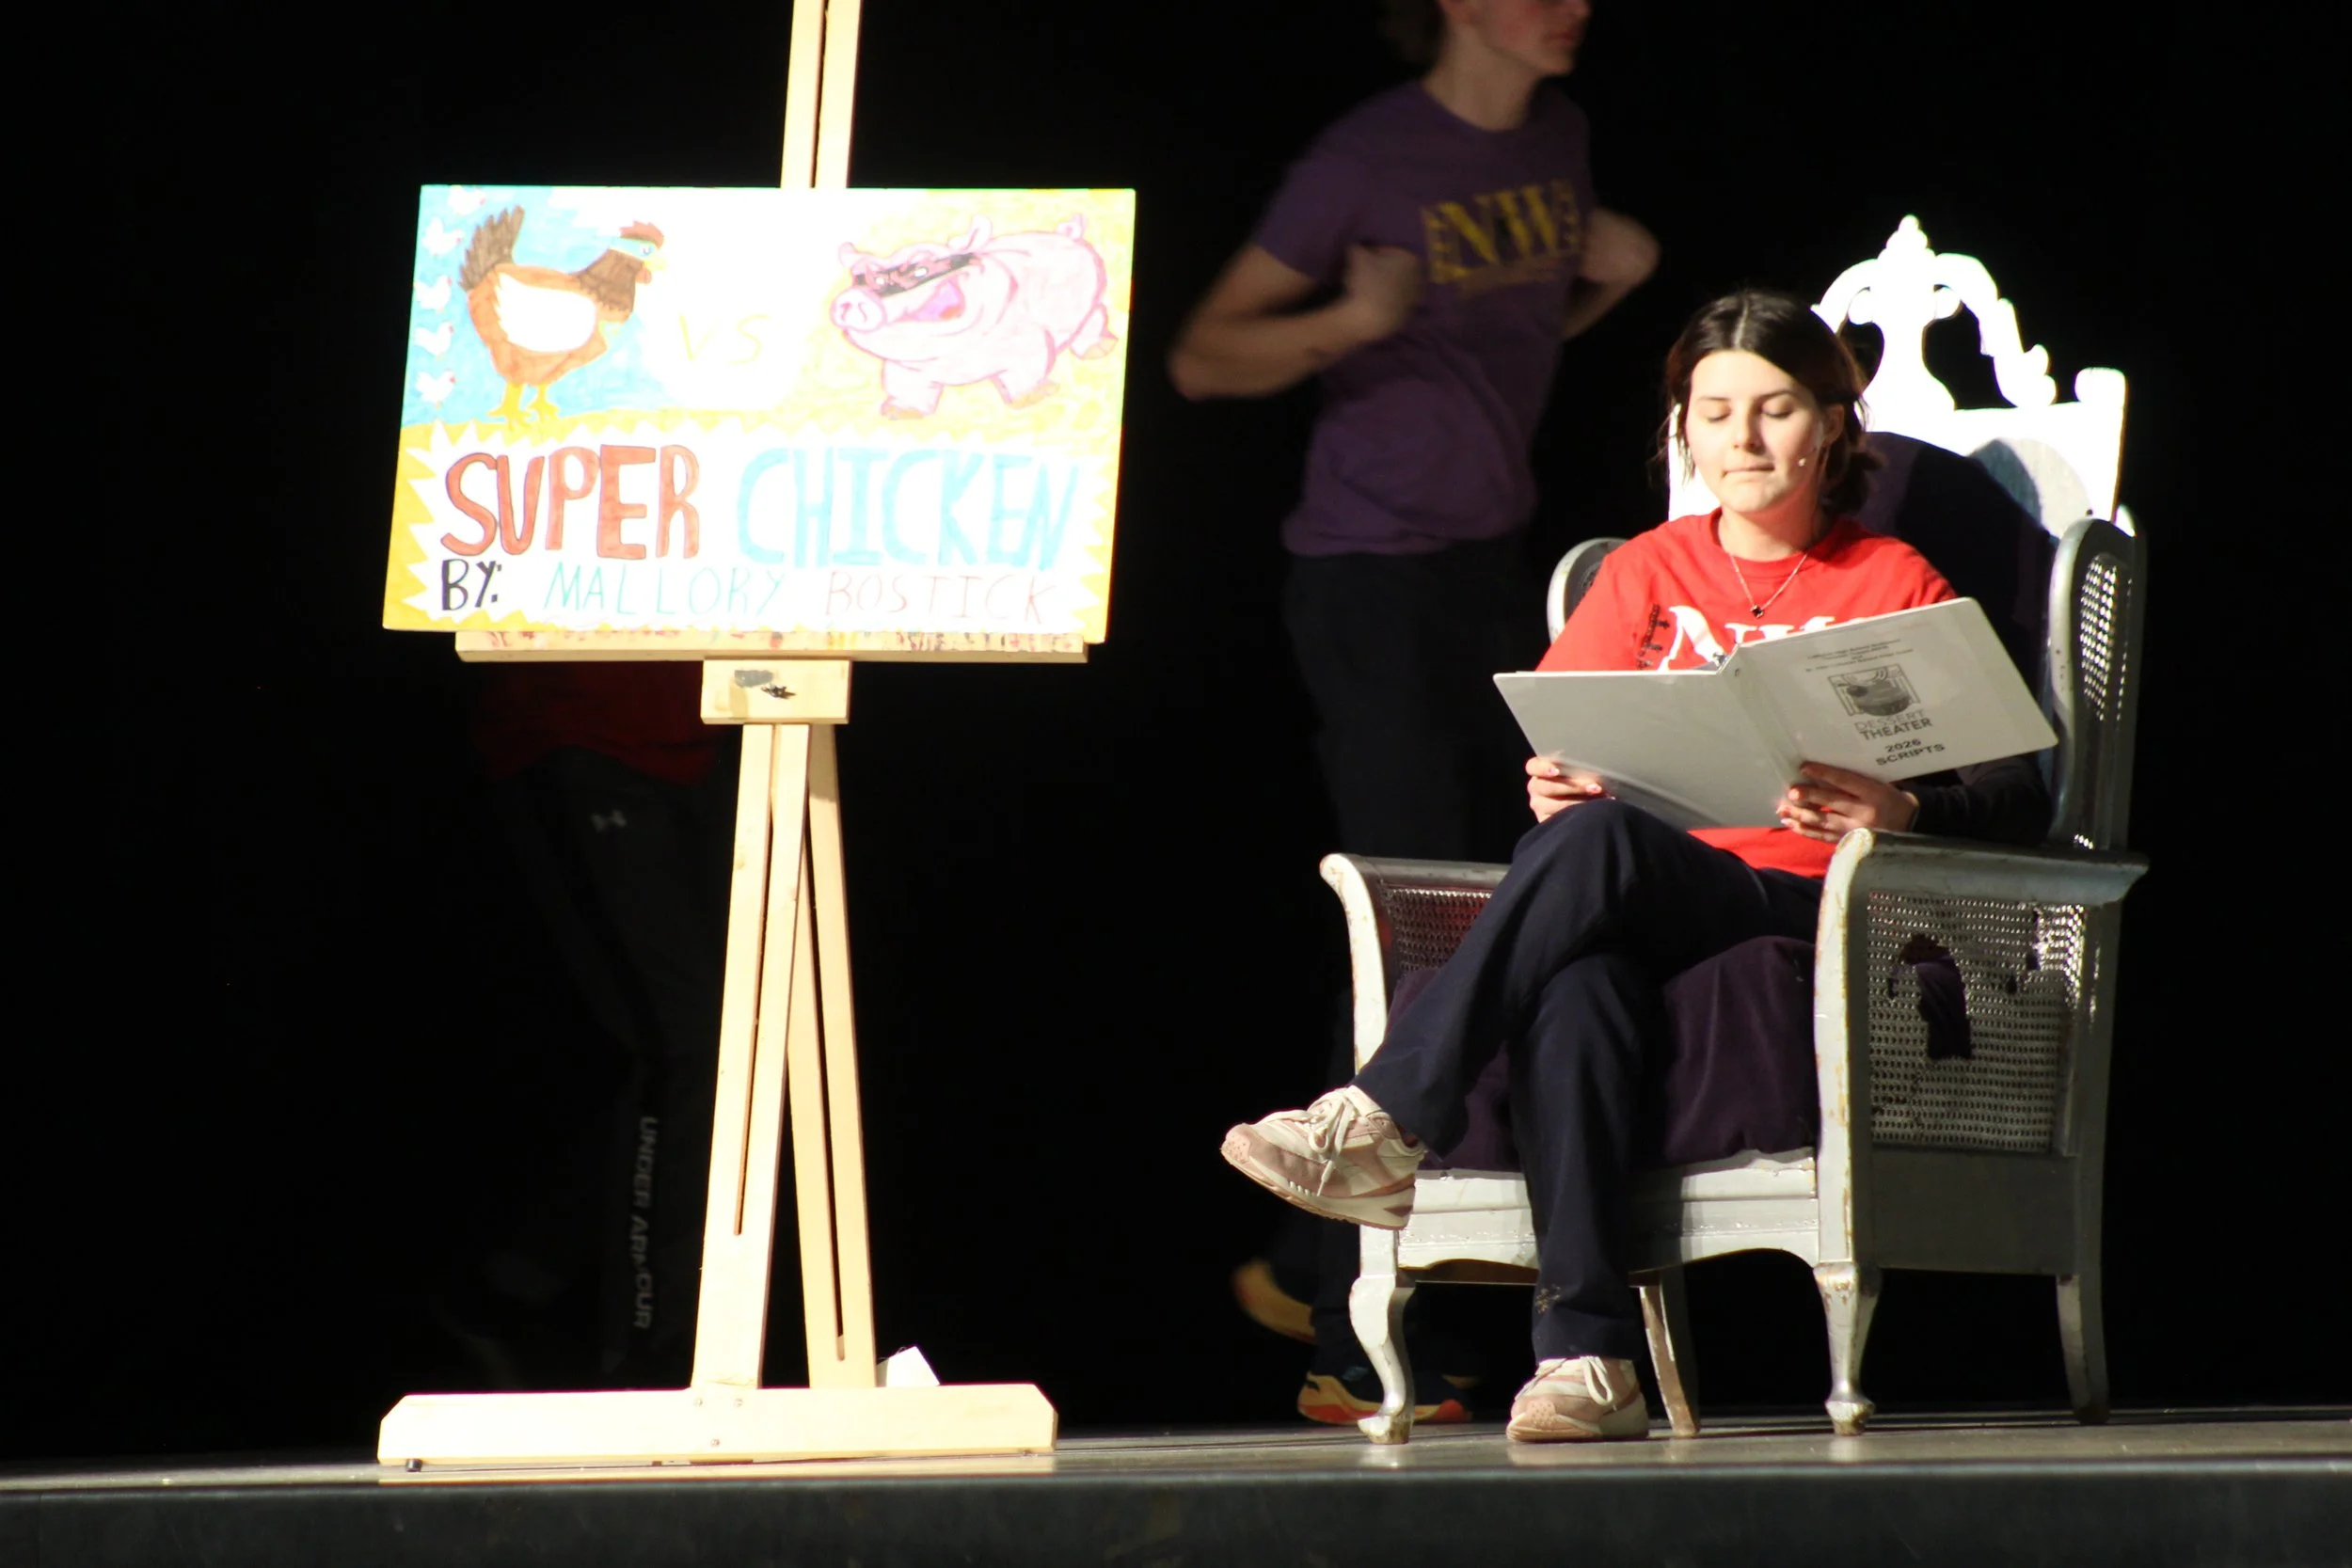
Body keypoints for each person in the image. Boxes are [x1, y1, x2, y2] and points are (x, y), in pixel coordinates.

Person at [1219, 288, 2054, 1442]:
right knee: (1576, 975)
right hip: (1650, 893)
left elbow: (2023, 793)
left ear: (1829, 426)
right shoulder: (1648, 570)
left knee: (1596, 844)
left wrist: (1903, 804)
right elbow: (1572, 745)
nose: (1742, 439)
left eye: (1774, 409)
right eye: (1713, 412)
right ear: (1683, 429)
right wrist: (1557, 784)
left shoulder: (1889, 577)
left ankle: (1389, 1113)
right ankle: (1586, 1357)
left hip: (1813, 904)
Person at [1168, 0, 1659, 1426]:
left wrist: (1604, 280)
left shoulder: (1557, 140)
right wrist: (1351, 318)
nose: (1571, 6)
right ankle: (1341, 1330)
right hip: (1368, 580)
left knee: (1511, 903)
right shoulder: (1365, 161)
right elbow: (1204, 355)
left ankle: (1304, 1260)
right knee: (1407, 917)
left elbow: (1497, 334)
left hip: (1485, 572)